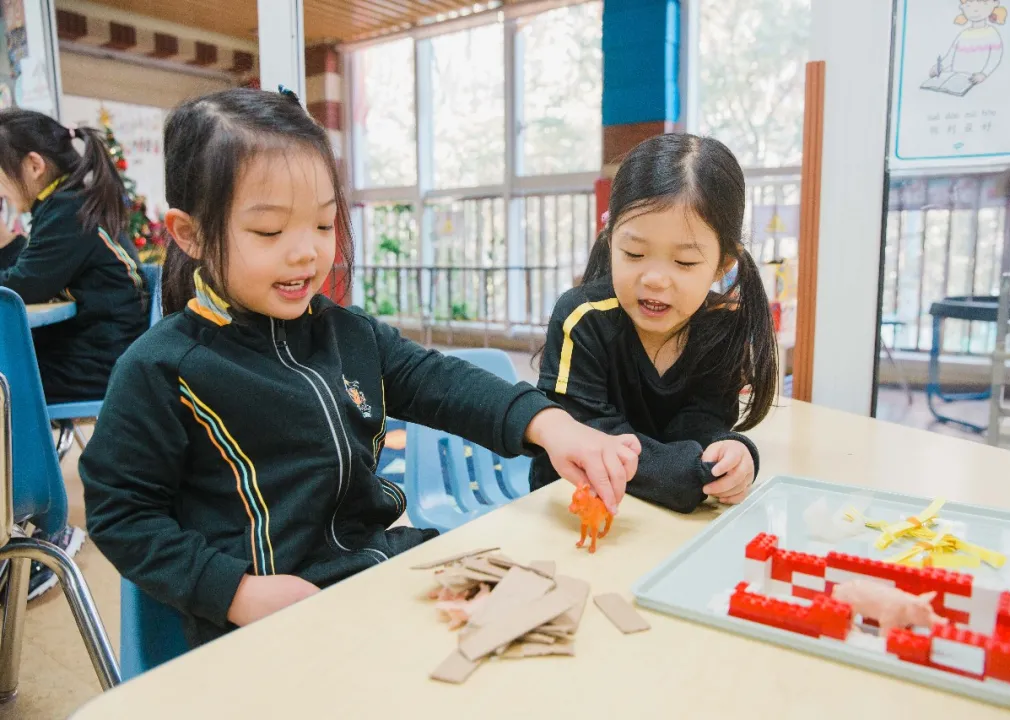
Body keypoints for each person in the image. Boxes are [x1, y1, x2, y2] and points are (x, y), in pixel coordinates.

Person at [79, 87, 639, 648]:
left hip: (376, 571)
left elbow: (440, 381)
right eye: (270, 231)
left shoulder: (347, 333)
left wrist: (550, 424)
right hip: (270, 617)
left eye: (324, 225)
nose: (306, 252)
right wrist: (234, 591)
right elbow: (120, 512)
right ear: (190, 234)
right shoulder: (162, 368)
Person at [529, 133, 778, 514]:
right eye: (634, 253)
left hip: (662, 518)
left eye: (684, 262)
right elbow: (590, 436)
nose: (656, 279)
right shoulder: (582, 318)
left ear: (723, 264)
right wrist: (688, 475)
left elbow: (702, 426)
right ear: (611, 241)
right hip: (572, 510)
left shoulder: (722, 327)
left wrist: (730, 455)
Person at [0, 108, 148, 600]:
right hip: (106, 348)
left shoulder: (65, 210)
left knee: (9, 384)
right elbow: (31, 269)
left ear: (33, 165)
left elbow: (24, 285)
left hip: (102, 360)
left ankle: (43, 532)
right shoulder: (68, 203)